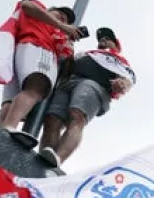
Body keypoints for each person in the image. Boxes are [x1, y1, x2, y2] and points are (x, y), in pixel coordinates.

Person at [0, 0, 82, 147]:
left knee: (10, 103)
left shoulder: (57, 35)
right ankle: (8, 127)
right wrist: (62, 26)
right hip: (37, 48)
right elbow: (27, 5)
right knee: (37, 87)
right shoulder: (39, 10)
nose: (62, 17)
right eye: (59, 12)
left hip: (20, 54)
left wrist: (68, 44)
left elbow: (65, 65)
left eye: (66, 19)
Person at [38, 27, 136, 167]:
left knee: (77, 115)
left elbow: (128, 78)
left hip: (94, 85)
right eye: (101, 39)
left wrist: (122, 84)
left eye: (108, 39)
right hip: (68, 82)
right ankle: (45, 160)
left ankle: (58, 159)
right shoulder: (87, 54)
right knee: (52, 119)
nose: (103, 40)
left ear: (116, 44)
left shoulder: (119, 61)